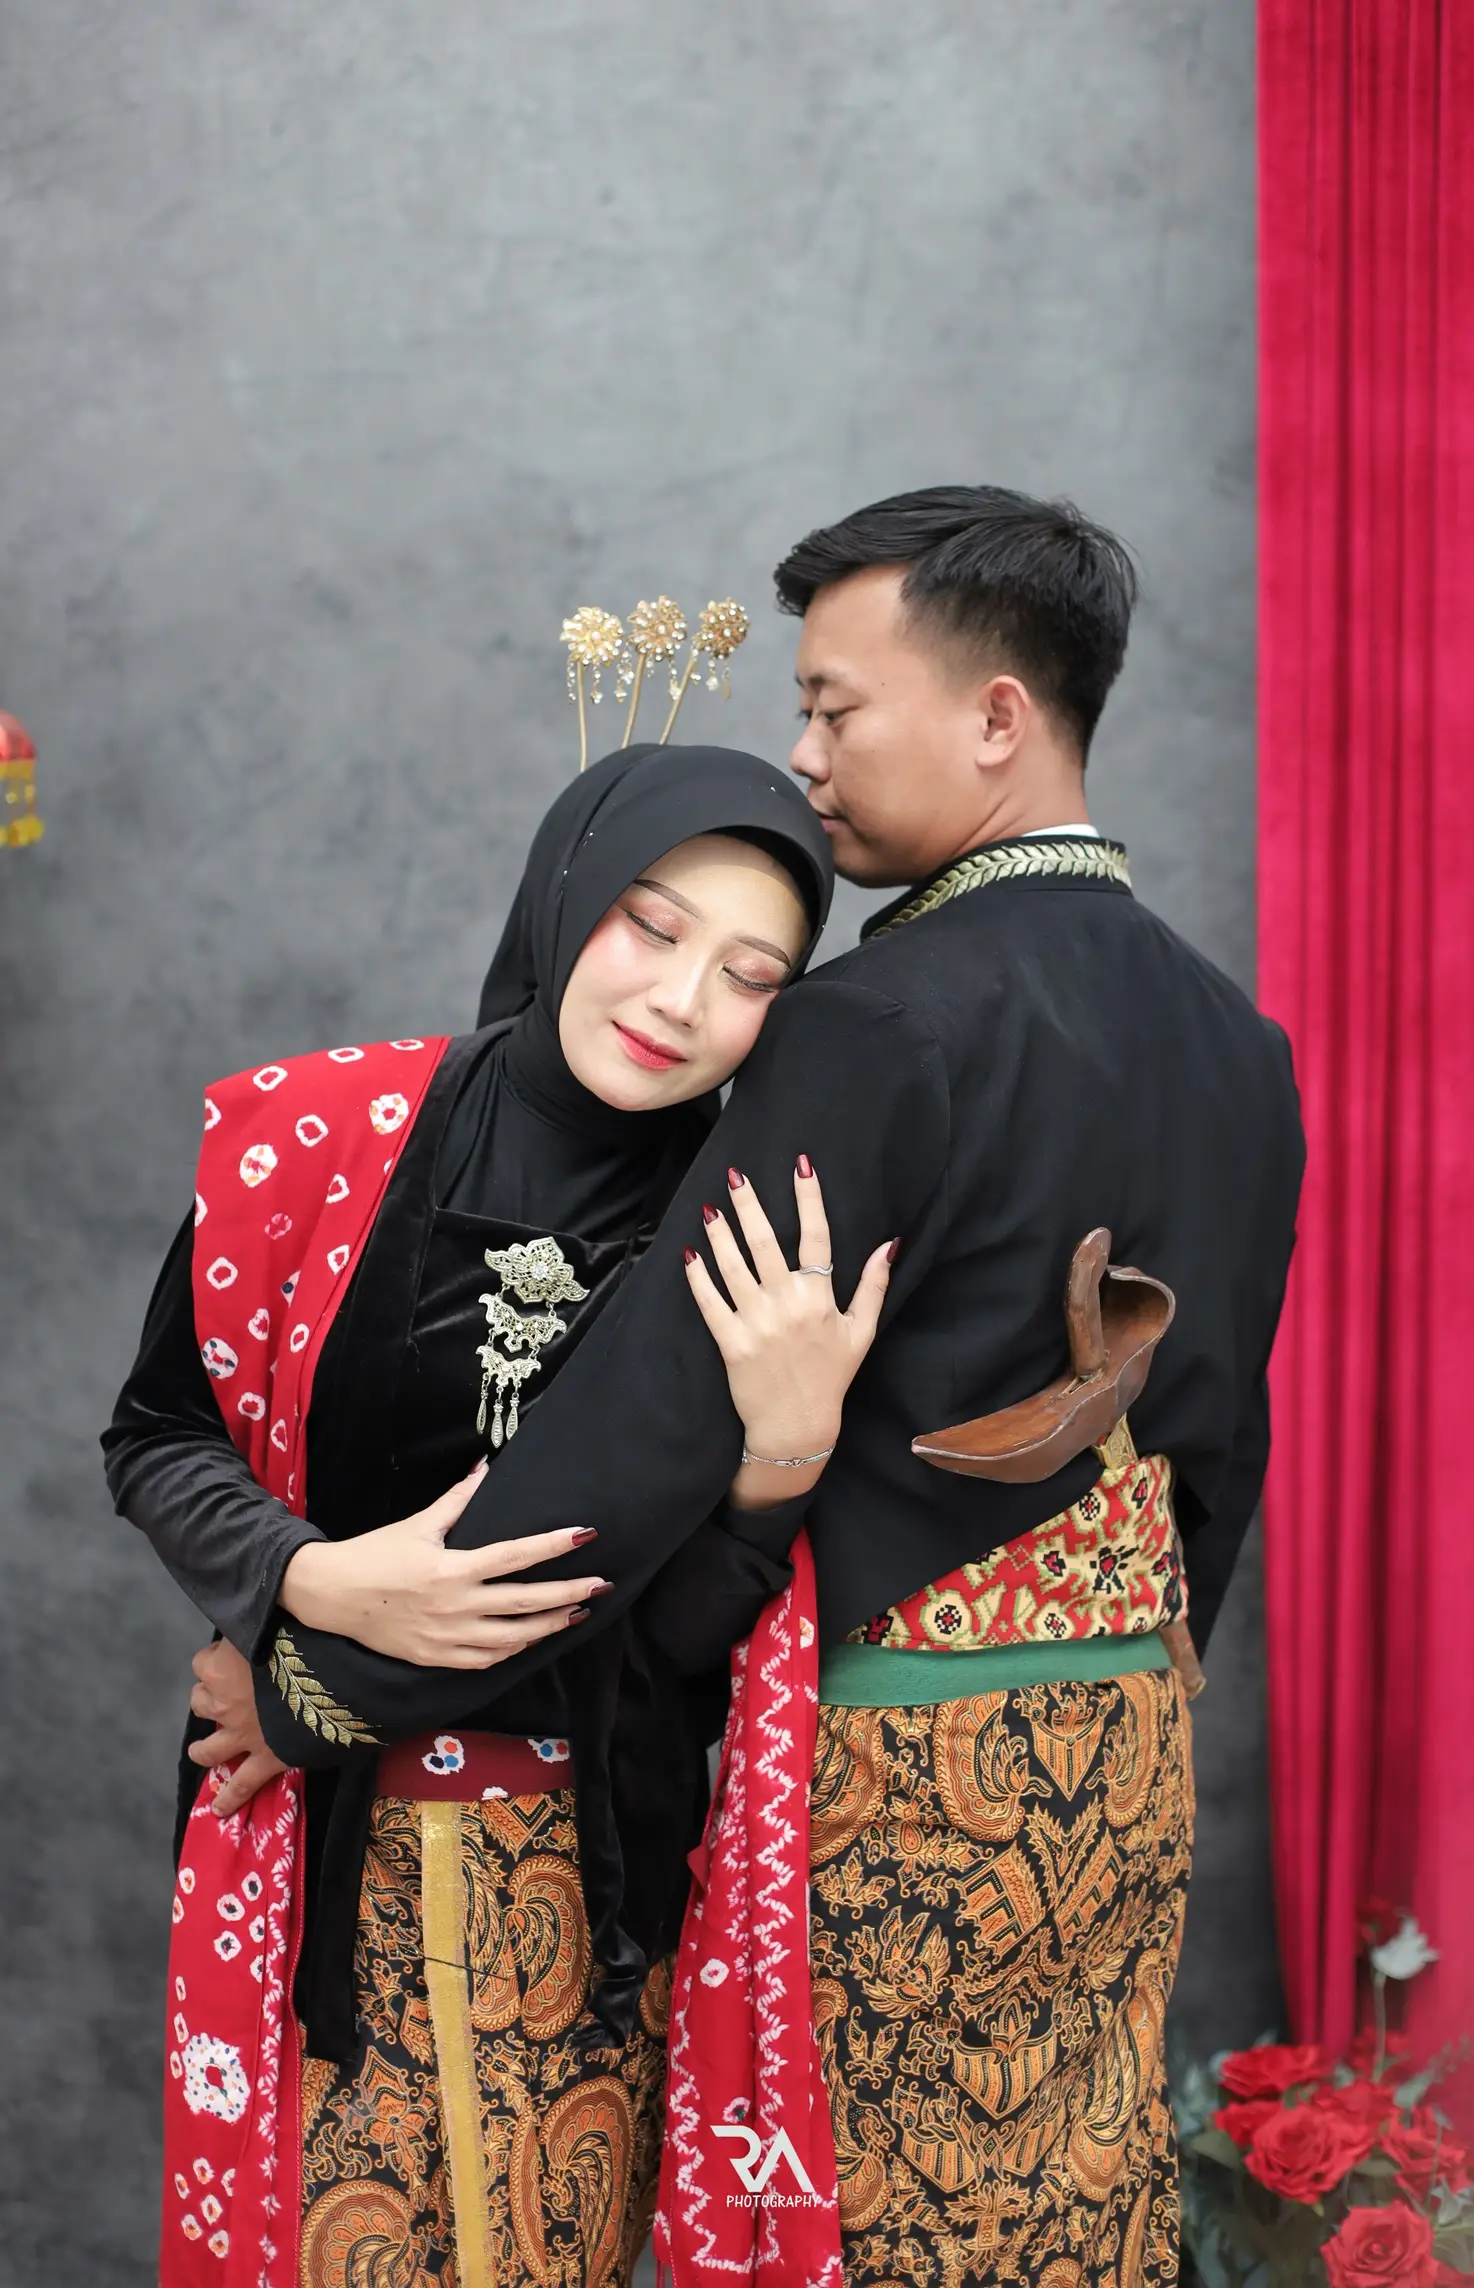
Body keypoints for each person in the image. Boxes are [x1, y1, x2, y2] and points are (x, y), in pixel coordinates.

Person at [249, 488, 1305, 2285]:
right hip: (1124, 1759)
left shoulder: (877, 1021)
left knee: (873, 2226)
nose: (805, 756)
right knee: (1063, 2219)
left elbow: (645, 1419)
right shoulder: (1241, 1045)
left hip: (900, 1781)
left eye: (834, 707)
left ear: (995, 716)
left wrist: (316, 1677)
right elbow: (1214, 1451)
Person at [104, 741, 897, 2288]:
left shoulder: (737, 1233)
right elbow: (156, 1437)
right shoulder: (320, 1135)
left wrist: (785, 1457)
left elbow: (678, 1640)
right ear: (564, 894)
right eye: (650, 927)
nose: (681, 1002)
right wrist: (311, 1582)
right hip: (312, 1852)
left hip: (585, 1887)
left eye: (749, 976)